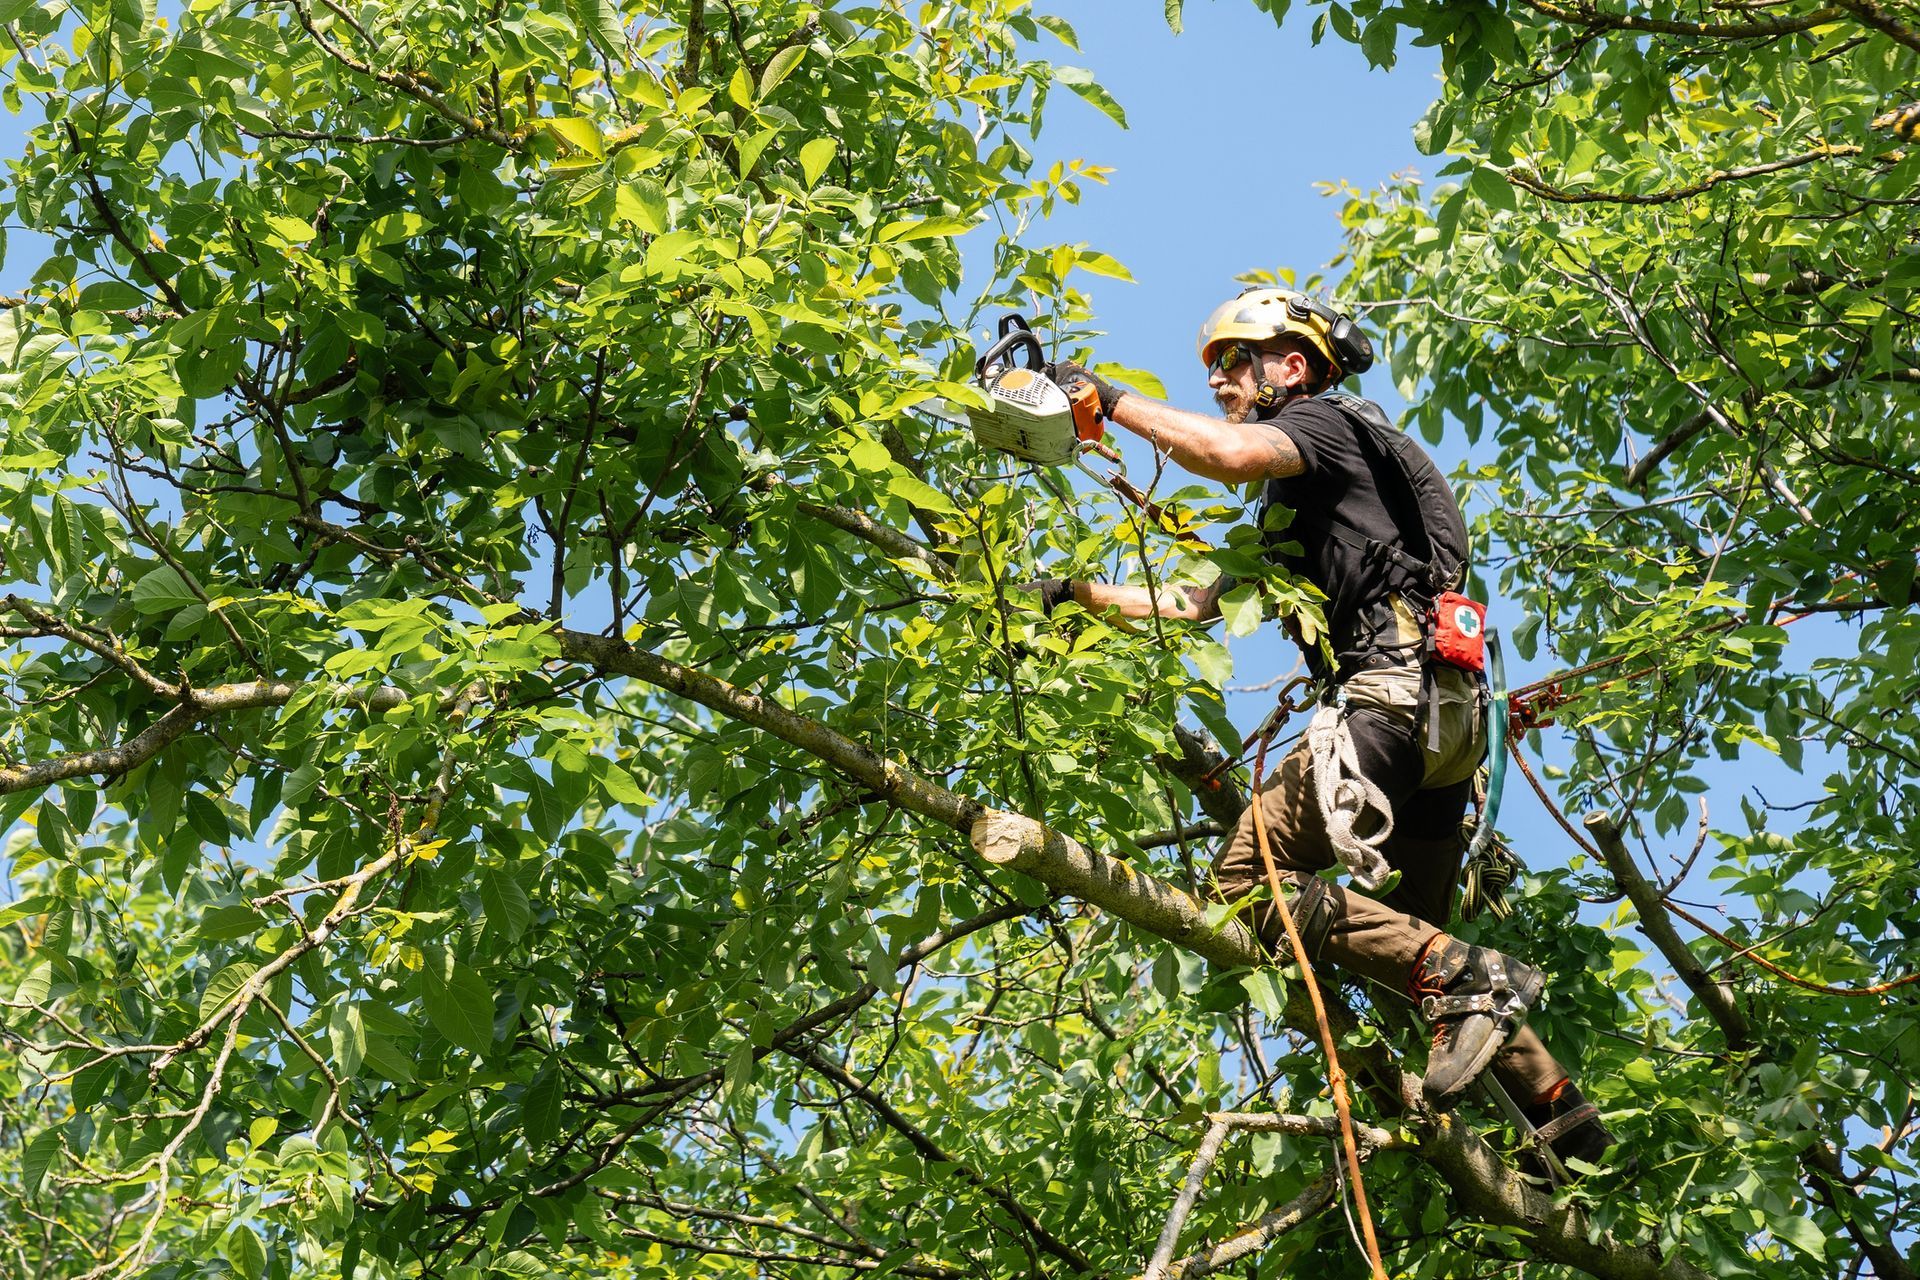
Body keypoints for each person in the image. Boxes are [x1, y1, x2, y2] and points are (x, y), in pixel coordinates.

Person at [1028, 287, 1616, 1174]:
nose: (1221, 380)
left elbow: (1223, 452)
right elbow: (1189, 608)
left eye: (1233, 361)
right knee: (1406, 941)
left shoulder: (1326, 426)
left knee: (1246, 883)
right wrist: (1070, 597)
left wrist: (1102, 396)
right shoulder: (1306, 499)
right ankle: (1560, 1120)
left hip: (1388, 705)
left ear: (1290, 366)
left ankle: (1472, 984)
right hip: (1442, 726)